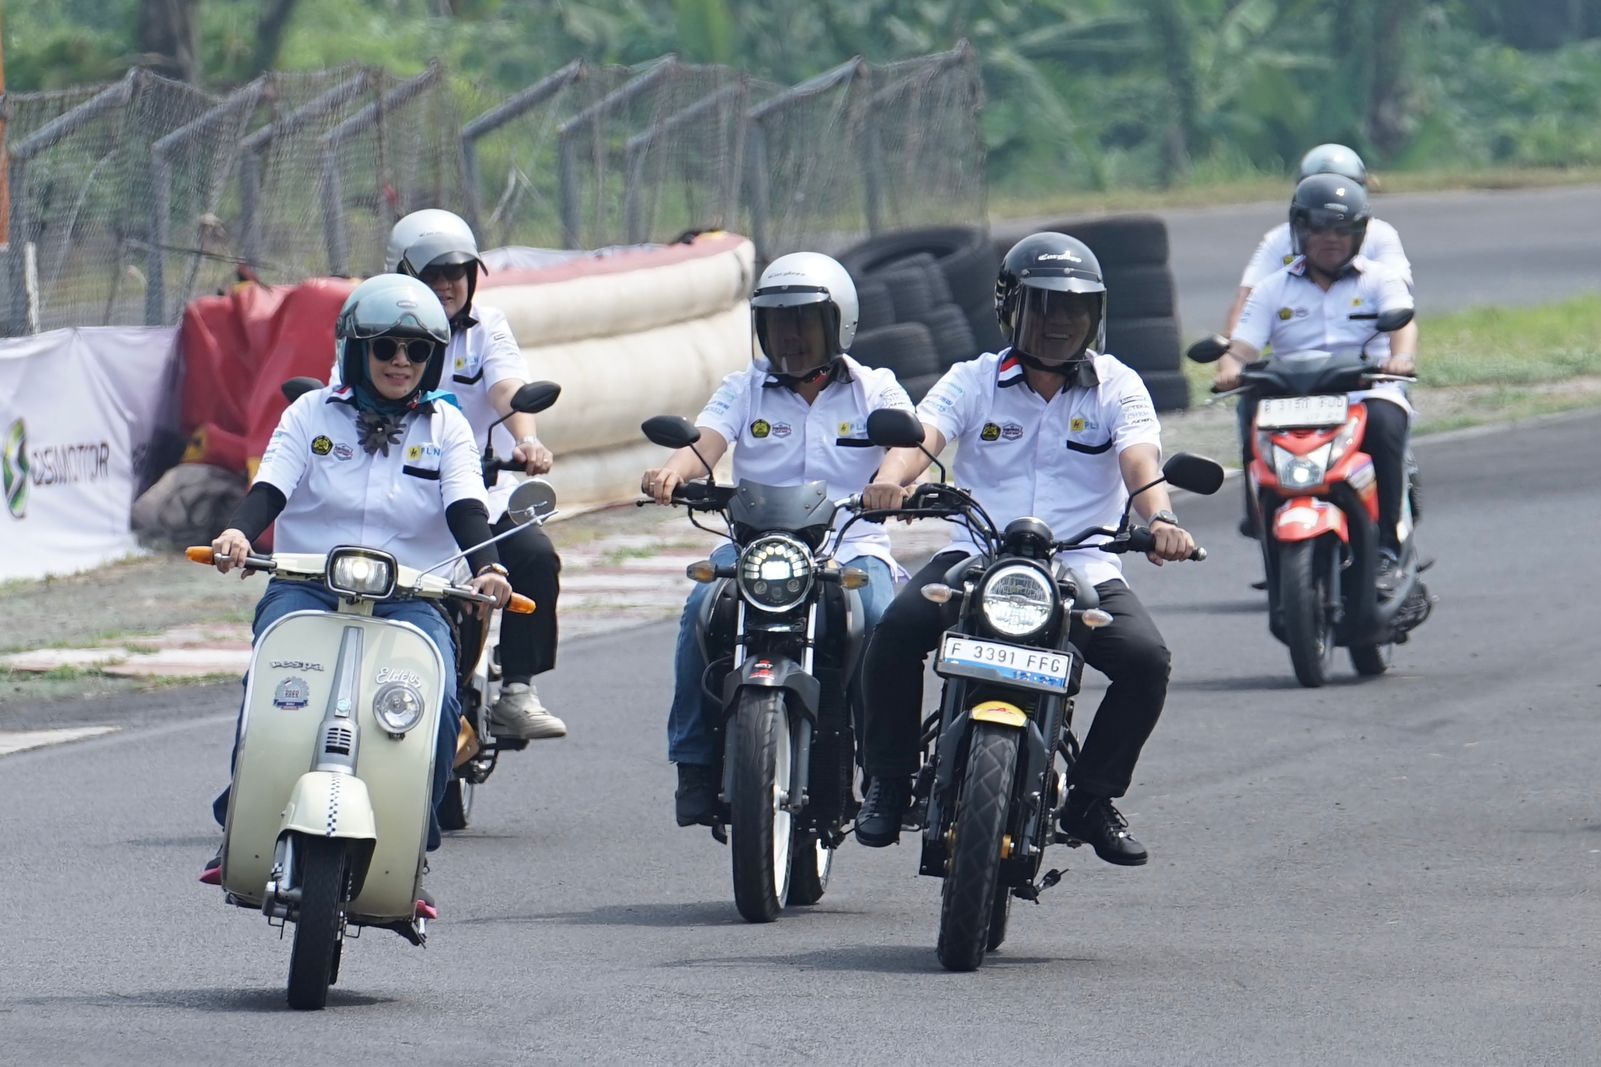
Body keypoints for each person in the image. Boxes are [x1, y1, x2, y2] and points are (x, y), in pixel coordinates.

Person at [854, 232, 1197, 867]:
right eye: (1044, 306)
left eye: (1074, 308)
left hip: (1082, 567)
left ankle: (1092, 799)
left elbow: (1140, 462)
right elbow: (924, 436)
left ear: (1095, 314)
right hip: (977, 556)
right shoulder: (973, 379)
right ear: (1012, 309)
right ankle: (888, 781)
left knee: (1147, 662)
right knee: (895, 630)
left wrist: (1163, 520)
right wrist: (889, 480)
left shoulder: (1118, 386)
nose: (1059, 323)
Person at [203, 273, 512, 884]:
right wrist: (238, 533)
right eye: (386, 346)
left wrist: (489, 567)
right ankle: (241, 815)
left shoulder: (446, 426)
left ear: (434, 358)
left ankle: (413, 846)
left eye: (417, 350)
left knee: (442, 697)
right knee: (268, 687)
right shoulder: (308, 413)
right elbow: (270, 489)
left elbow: (465, 507)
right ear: (355, 349)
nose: (401, 362)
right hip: (307, 586)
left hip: (411, 597)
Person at [641, 251, 915, 827]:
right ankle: (693, 761)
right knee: (700, 607)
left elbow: (907, 442)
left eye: (804, 321)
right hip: (755, 548)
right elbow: (703, 443)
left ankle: (886, 773)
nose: (790, 335)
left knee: (882, 619)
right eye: (777, 321)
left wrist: (888, 481)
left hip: (851, 545)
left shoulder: (874, 387)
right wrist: (673, 472)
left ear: (838, 323)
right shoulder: (745, 389)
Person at [334, 209, 566, 739]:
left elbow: (506, 387)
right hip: (401, 487)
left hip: (481, 488)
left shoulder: (489, 327)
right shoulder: (370, 324)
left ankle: (518, 689)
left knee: (532, 555)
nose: (446, 284)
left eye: (457, 272)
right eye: (433, 273)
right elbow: (342, 399)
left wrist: (526, 440)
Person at [1213, 174, 1418, 590]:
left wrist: (1400, 358)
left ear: (1359, 234)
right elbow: (1242, 347)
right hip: (1293, 399)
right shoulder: (1273, 289)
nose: (1331, 239)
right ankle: (1266, 525)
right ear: (1299, 230)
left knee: (1386, 424)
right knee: (1250, 417)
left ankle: (1387, 545)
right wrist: (1229, 367)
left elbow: (1403, 324)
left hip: (1366, 392)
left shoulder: (1380, 280)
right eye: (1319, 228)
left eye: (1343, 229)